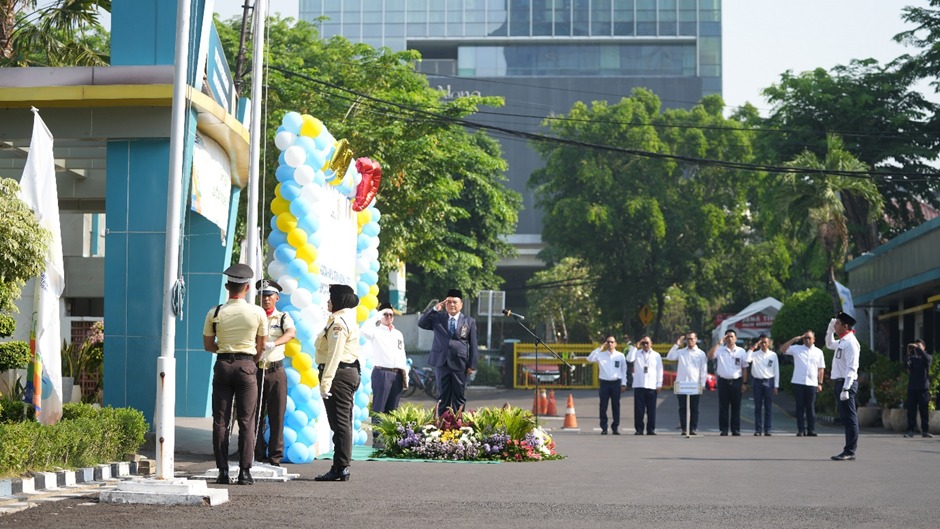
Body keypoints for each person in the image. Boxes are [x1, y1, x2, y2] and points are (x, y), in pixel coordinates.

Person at [202, 263, 267, 485]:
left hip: (222, 364)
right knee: (246, 420)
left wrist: (224, 347)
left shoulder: (215, 312)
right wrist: (251, 361)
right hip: (247, 365)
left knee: (220, 421)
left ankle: (222, 471)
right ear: (247, 287)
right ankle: (245, 472)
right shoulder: (257, 312)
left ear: (227, 286)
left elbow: (208, 345)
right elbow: (262, 345)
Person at [314, 284, 361, 481]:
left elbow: (334, 355)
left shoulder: (339, 322)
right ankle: (340, 465)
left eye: (330, 298)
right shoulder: (342, 319)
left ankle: (341, 467)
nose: (327, 301)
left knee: (340, 423)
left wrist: (326, 383)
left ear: (338, 301)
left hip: (338, 375)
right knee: (341, 422)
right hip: (344, 373)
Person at [417, 289, 478, 417]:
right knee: (442, 397)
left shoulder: (469, 321)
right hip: (441, 361)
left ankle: (458, 426)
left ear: (461, 304)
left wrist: (472, 364)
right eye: (448, 302)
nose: (451, 305)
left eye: (455, 302)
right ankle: (442, 426)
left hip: (460, 363)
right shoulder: (437, 318)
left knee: (459, 397)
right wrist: (435, 308)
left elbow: (473, 344)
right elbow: (421, 323)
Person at [253, 279, 295, 466]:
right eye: (262, 295)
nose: (266, 299)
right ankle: (256, 453)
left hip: (275, 370)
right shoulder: (254, 316)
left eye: (269, 296)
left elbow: (290, 334)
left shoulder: (283, 317)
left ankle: (275, 457)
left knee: (277, 415)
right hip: (256, 370)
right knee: (254, 415)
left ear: (277, 298)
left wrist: (274, 343)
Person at [362, 302, 409, 448]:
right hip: (382, 372)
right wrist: (377, 315)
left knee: (392, 408)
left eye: (391, 315)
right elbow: (363, 330)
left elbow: (402, 354)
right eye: (385, 314)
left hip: (397, 373)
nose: (388, 317)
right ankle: (378, 439)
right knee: (379, 407)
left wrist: (405, 375)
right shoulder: (375, 331)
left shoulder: (398, 333)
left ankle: (390, 438)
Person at [825, 311, 860, 461]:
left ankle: (850, 450)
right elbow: (829, 344)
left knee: (850, 418)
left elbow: (852, 367)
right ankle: (848, 449)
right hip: (840, 383)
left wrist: (846, 388)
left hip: (847, 383)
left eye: (837, 324)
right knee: (846, 419)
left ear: (845, 326)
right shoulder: (843, 341)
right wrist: (829, 330)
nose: (836, 325)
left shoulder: (851, 343)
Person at [780, 331, 826, 437]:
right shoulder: (797, 348)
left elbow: (821, 369)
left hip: (812, 383)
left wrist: (820, 383)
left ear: (814, 339)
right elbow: (782, 349)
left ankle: (811, 429)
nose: (807, 340)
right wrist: (793, 340)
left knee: (810, 407)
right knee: (799, 407)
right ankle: (801, 429)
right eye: (805, 338)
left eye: (809, 338)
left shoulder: (818, 352)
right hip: (798, 382)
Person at [708, 329, 750, 436]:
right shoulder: (720, 350)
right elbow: (710, 356)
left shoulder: (741, 351)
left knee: (736, 406)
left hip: (736, 381)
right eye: (728, 336)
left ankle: (735, 429)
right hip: (723, 381)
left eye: (732, 336)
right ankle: (724, 429)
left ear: (736, 338)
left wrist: (744, 383)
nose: (730, 338)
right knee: (723, 407)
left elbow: (745, 368)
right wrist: (718, 343)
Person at [667, 331, 707, 435]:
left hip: (694, 384)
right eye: (688, 339)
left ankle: (693, 428)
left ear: (696, 339)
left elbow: (703, 369)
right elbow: (670, 357)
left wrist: (702, 384)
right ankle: (684, 428)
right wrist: (677, 344)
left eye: (692, 339)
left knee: (694, 408)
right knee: (683, 407)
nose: (690, 341)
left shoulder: (701, 353)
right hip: (682, 384)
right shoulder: (681, 352)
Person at [586, 336, 627, 434]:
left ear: (615, 343)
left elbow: (624, 370)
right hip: (604, 383)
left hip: (616, 382)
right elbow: (589, 359)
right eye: (608, 342)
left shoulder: (620, 356)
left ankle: (615, 427)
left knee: (616, 406)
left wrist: (624, 383)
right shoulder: (601, 355)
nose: (610, 344)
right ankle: (604, 427)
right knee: (603, 406)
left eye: (612, 342)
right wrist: (600, 348)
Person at [626, 335, 663, 435]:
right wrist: (635, 347)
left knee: (651, 409)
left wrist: (659, 384)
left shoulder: (656, 355)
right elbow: (629, 359)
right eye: (644, 343)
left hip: (651, 385)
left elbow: (659, 370)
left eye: (647, 343)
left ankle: (651, 429)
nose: (645, 345)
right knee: (639, 409)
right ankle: (639, 429)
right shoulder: (636, 353)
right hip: (639, 384)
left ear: (651, 344)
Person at [748, 334, 779, 436]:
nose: (763, 344)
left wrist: (776, 385)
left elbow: (776, 371)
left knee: (768, 407)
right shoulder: (755, 354)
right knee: (757, 407)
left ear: (769, 343)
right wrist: (753, 347)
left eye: (765, 342)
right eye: (761, 342)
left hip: (768, 381)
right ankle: (758, 429)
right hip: (757, 382)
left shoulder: (773, 355)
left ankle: (767, 429)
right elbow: (747, 359)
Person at [904, 339, 933, 438]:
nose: (916, 348)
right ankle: (910, 430)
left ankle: (925, 430)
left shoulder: (927, 357)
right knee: (911, 410)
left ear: (924, 347)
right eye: (915, 346)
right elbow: (906, 365)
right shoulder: (912, 358)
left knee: (924, 410)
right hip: (912, 387)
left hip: (923, 388)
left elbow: (927, 360)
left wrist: (918, 349)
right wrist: (908, 353)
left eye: (919, 346)